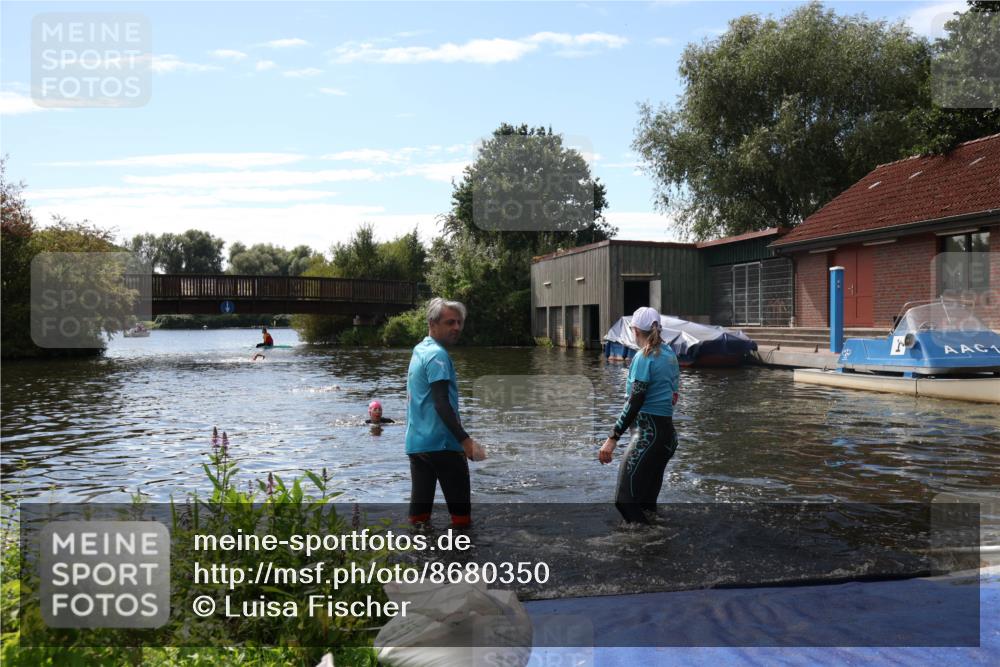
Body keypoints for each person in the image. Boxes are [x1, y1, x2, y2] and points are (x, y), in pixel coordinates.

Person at [405, 297, 486, 527]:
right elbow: (441, 403)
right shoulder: (438, 356)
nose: (457, 328)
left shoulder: (420, 349)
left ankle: (418, 560)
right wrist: (466, 441)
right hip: (444, 446)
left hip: (417, 445)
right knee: (462, 521)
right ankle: (460, 561)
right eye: (450, 322)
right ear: (433, 323)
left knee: (418, 519)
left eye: (459, 322)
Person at [598, 307, 680, 524]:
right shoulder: (670, 354)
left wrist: (612, 439)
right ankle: (657, 549)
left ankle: (646, 547)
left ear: (635, 330)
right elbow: (673, 395)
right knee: (646, 505)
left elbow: (635, 401)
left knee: (625, 502)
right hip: (667, 438)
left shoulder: (643, 357)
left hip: (647, 436)